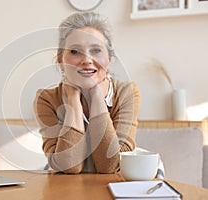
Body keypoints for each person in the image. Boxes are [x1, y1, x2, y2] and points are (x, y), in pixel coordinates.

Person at [33, 12, 141, 174]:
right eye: (75, 51)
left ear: (109, 60)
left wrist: (96, 95)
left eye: (96, 50)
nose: (87, 60)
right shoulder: (46, 99)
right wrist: (73, 99)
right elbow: (68, 166)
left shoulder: (127, 92)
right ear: (61, 61)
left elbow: (111, 166)